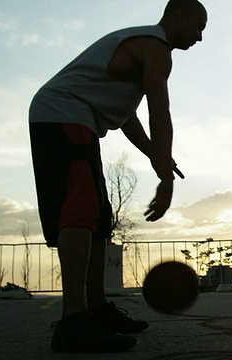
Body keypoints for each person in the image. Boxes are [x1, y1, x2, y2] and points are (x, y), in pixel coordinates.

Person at [28, 0, 207, 352]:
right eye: (198, 27)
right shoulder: (155, 47)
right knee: (79, 211)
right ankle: (73, 320)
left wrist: (160, 158)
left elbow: (126, 117)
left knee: (98, 216)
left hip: (80, 119)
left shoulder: (140, 51)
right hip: (61, 113)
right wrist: (165, 179)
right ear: (179, 16)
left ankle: (95, 309)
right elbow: (160, 110)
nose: (200, 38)